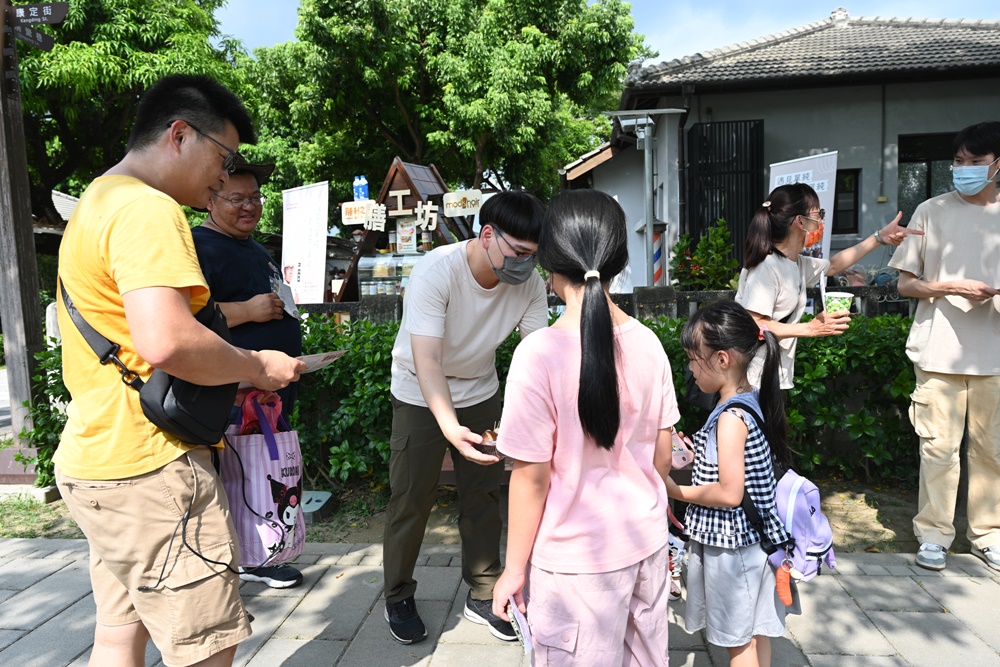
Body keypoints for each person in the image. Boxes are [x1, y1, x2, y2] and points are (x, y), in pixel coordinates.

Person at [53, 74, 305, 667]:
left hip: (99, 461)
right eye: (222, 156)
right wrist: (256, 366)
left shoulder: (98, 199)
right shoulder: (148, 209)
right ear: (179, 134)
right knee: (206, 648)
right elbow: (167, 338)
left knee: (120, 634)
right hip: (153, 469)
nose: (224, 175)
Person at [490, 190, 678, 665]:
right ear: (618, 257)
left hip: (575, 567)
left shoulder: (538, 355)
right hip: (647, 547)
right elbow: (661, 457)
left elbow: (530, 478)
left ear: (549, 263)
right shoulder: (650, 342)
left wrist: (513, 570)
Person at [383, 191, 548, 644]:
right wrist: (449, 427)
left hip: (480, 388)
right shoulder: (437, 271)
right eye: (519, 252)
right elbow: (428, 360)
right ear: (488, 235)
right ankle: (397, 593)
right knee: (412, 497)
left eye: (534, 256)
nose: (525, 265)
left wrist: (525, 420)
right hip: (419, 391)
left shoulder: (529, 284)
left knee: (483, 495)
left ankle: (484, 593)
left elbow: (537, 358)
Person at [889, 121, 1000, 573]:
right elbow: (904, 284)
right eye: (959, 162)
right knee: (937, 448)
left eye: (975, 163)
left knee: (991, 449)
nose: (964, 170)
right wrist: (948, 286)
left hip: (994, 354)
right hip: (938, 351)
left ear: (998, 165)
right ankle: (933, 534)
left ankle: (988, 534)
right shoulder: (930, 210)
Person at [192, 160, 305, 589]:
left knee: (260, 473)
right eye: (236, 199)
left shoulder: (256, 248)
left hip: (270, 390)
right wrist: (249, 311)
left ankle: (259, 551)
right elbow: (186, 322)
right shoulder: (198, 246)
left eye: (255, 198)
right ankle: (232, 561)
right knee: (234, 473)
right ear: (209, 199)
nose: (249, 207)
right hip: (234, 393)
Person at [666, 300, 793, 667]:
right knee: (755, 634)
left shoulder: (730, 417)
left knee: (738, 644)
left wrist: (675, 491)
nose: (690, 369)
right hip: (754, 544)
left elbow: (728, 492)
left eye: (693, 359)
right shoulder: (750, 401)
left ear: (722, 360)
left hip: (732, 548)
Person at [735, 183, 920, 388]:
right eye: (818, 214)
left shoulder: (796, 263)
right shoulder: (767, 266)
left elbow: (834, 265)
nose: (821, 221)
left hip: (770, 374)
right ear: (800, 221)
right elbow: (755, 323)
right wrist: (811, 328)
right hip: (751, 376)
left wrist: (879, 238)